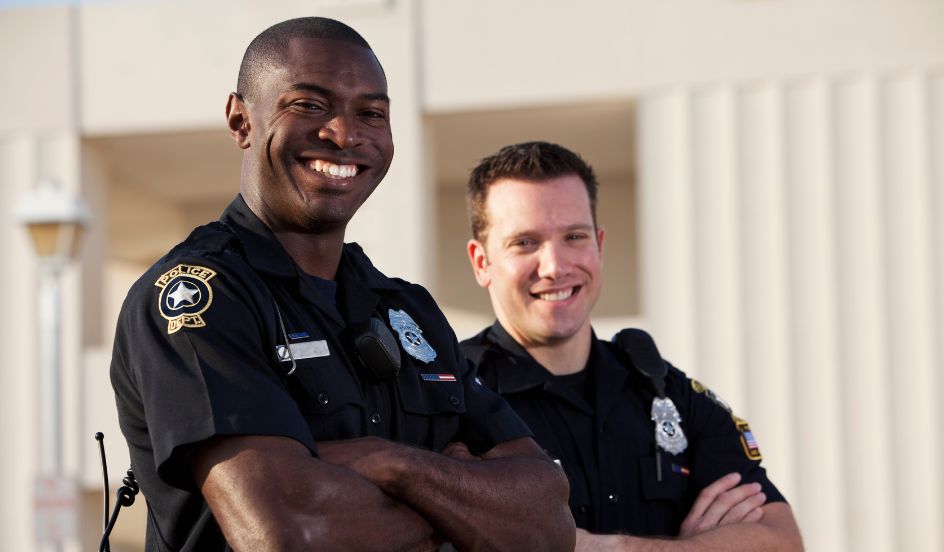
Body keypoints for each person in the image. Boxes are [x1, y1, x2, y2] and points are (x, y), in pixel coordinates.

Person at [110, 20, 573, 552]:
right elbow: (287, 532)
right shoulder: (200, 299)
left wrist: (391, 464)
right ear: (241, 120)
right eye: (309, 105)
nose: (344, 133)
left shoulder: (407, 310)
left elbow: (547, 524)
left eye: (371, 114)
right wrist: (465, 508)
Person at [459, 141, 803, 551]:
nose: (554, 266)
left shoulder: (668, 394)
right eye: (526, 243)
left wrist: (607, 547)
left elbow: (781, 540)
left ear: (599, 245)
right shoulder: (451, 400)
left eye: (574, 236)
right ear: (482, 262)